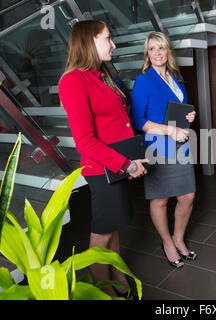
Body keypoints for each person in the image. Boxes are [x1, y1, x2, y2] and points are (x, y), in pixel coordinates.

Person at [58, 20, 148, 298]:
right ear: (90, 41)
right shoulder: (73, 81)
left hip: (116, 165)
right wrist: (127, 164)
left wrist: (130, 161)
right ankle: (104, 291)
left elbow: (117, 125)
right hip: (103, 169)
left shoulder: (100, 75)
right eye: (107, 38)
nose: (113, 44)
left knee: (113, 227)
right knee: (102, 233)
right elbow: (85, 140)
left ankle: (118, 274)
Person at [131, 32, 197, 268]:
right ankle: (167, 242)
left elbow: (179, 111)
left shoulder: (177, 79)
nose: (157, 53)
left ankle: (179, 238)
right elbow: (138, 119)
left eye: (161, 48)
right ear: (147, 54)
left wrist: (189, 115)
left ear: (168, 50)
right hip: (158, 146)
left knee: (187, 196)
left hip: (181, 144)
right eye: (152, 49)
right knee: (160, 200)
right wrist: (169, 131)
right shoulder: (143, 80)